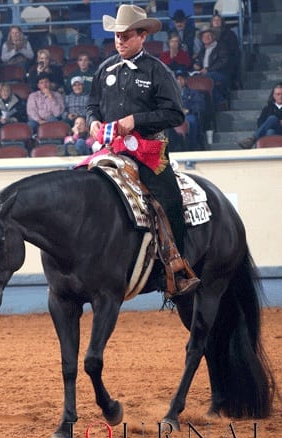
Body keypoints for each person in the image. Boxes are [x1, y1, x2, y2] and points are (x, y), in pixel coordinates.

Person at [86, 4, 200, 296]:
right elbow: (92, 106)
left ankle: (176, 265)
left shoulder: (157, 70)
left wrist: (136, 120)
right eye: (116, 36)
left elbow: (175, 114)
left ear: (142, 36)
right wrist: (92, 122)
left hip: (149, 150)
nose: (120, 41)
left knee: (170, 200)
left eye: (126, 36)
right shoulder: (104, 69)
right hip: (111, 149)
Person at [193, 27, 230, 110]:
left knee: (206, 79)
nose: (207, 37)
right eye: (205, 36)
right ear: (202, 39)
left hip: (220, 73)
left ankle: (221, 102)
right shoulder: (202, 50)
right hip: (204, 73)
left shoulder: (220, 47)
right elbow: (199, 61)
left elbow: (223, 62)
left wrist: (208, 69)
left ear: (213, 37)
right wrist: (196, 65)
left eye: (209, 35)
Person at [238, 83, 282, 149]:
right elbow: (260, 123)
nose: (280, 96)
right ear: (273, 96)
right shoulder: (267, 109)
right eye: (278, 94)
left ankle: (252, 139)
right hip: (269, 133)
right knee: (270, 131)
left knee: (272, 119)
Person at [173, 70, 206, 150]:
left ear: (185, 80)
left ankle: (192, 147)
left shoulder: (193, 93)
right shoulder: (171, 94)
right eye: (177, 79)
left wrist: (188, 110)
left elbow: (200, 105)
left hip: (188, 115)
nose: (179, 81)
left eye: (181, 79)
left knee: (192, 121)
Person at [210, 12, 240, 89]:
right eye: (214, 20)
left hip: (226, 62)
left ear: (222, 22)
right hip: (211, 63)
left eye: (218, 20)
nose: (216, 22)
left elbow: (233, 50)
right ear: (211, 22)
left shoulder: (230, 34)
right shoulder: (208, 34)